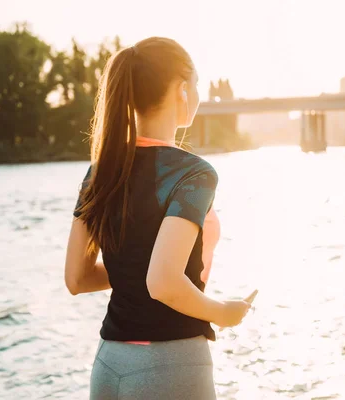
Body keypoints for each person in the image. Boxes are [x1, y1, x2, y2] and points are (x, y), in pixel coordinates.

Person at [64, 37, 251, 399]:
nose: (197, 94)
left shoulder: (100, 172)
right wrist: (221, 313)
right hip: (171, 364)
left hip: (109, 364)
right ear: (182, 90)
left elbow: (77, 277)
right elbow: (163, 283)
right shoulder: (192, 174)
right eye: (196, 84)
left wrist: (132, 270)